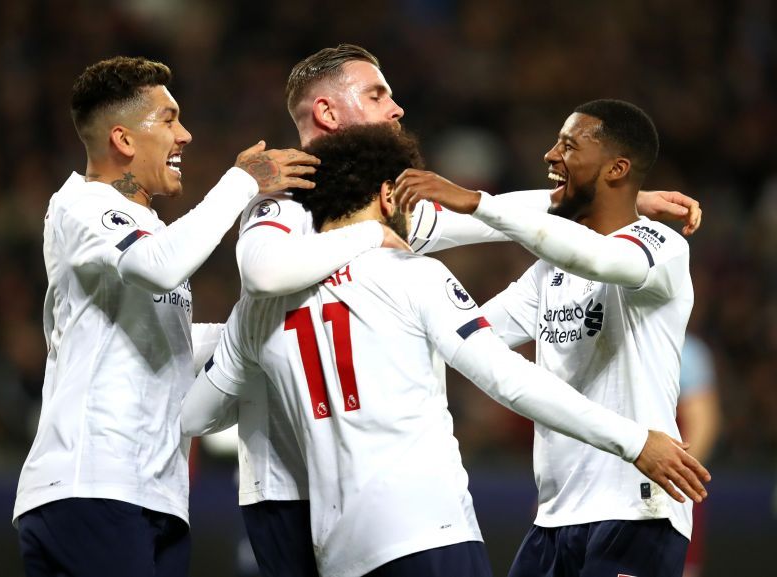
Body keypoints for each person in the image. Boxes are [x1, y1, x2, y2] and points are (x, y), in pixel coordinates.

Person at [193, 44, 705, 577]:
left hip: (367, 512)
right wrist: (376, 233)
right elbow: (264, 273)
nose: (397, 108)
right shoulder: (284, 205)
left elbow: (479, 216)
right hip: (297, 491)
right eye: (376, 94)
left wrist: (618, 199)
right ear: (327, 112)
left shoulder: (397, 238)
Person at [12, 55, 319, 577]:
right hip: (92, 487)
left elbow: (169, 341)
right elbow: (159, 267)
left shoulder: (145, 227)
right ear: (124, 140)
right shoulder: (83, 205)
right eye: (169, 118)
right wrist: (241, 183)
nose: (186, 134)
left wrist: (264, 326)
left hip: (150, 492)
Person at [392, 99, 697, 577]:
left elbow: (599, 259)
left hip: (636, 506)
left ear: (617, 168)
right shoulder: (548, 272)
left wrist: (478, 203)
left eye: (569, 146)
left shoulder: (663, 248)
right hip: (556, 516)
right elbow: (471, 340)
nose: (550, 156)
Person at [678, 333, 721, 577]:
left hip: (670, 490)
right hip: (597, 492)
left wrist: (672, 482)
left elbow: (703, 425)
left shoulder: (688, 351)